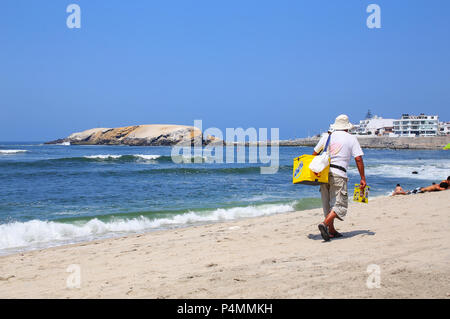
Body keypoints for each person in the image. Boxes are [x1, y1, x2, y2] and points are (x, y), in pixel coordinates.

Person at [312, 114, 366, 241]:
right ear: (347, 127)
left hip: (324, 174)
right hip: (339, 174)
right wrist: (362, 178)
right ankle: (324, 224)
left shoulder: (327, 136)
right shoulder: (351, 139)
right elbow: (358, 159)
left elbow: (314, 155)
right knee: (340, 204)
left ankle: (331, 231)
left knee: (328, 204)